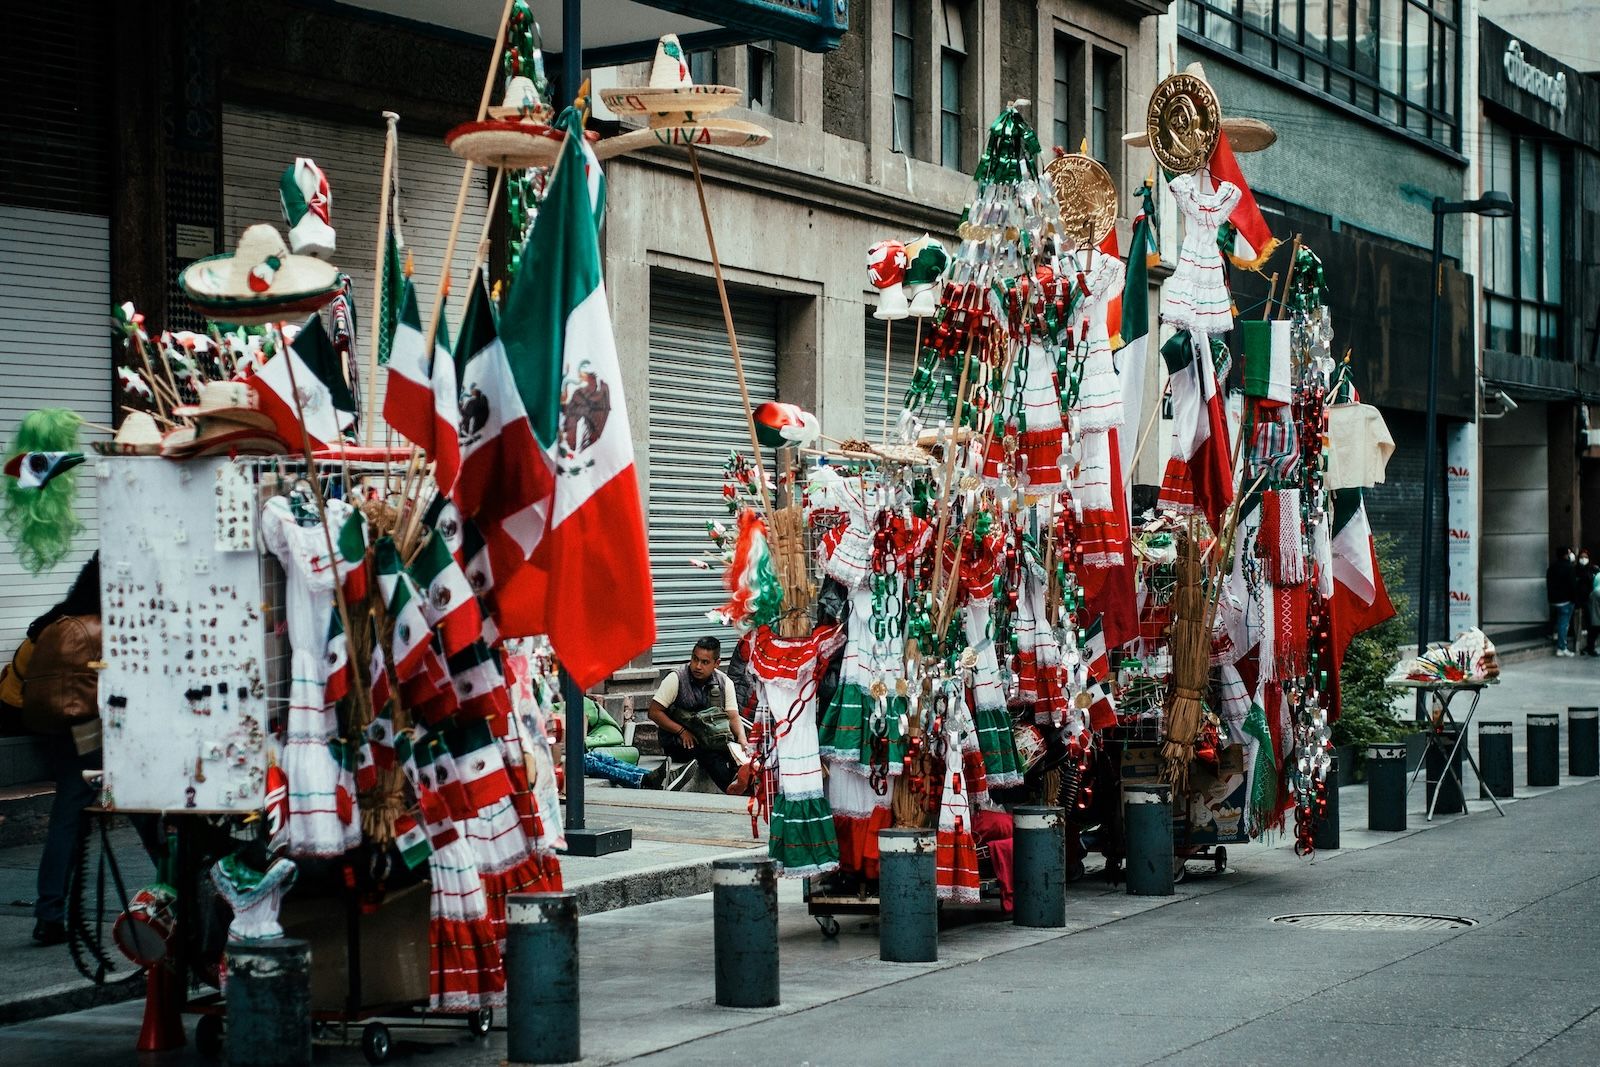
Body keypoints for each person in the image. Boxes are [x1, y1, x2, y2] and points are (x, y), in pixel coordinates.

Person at [1, 555, 103, 945]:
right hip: (100, 733)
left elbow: (21, 680)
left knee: (67, 814)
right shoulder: (113, 623)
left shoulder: (53, 623)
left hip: (62, 732)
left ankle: (50, 913)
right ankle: (170, 906)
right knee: (146, 813)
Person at [646, 636, 750, 793]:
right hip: (679, 743)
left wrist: (742, 739)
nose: (698, 666)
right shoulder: (676, 678)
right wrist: (681, 731)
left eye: (705, 662)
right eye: (695, 659)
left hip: (712, 740)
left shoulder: (724, 682)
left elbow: (733, 717)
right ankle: (732, 787)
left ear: (717, 663)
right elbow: (654, 712)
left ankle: (746, 780)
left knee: (733, 749)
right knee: (708, 752)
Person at [1547, 546, 1580, 657]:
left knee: (1558, 621)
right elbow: (1572, 586)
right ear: (1566, 555)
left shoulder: (1552, 567)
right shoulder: (1569, 567)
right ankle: (1562, 647)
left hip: (1554, 600)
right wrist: (1575, 600)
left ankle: (1555, 636)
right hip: (1565, 601)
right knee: (1563, 624)